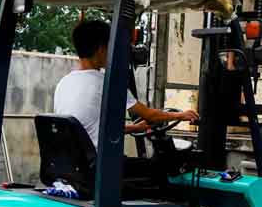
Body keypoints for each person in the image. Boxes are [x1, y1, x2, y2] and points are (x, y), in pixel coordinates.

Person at [55, 20, 198, 148]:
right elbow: (150, 115)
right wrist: (180, 115)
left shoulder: (64, 83)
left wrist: (135, 128)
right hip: (97, 163)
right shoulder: (106, 83)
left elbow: (92, 130)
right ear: (101, 49)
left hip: (73, 162)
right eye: (111, 47)